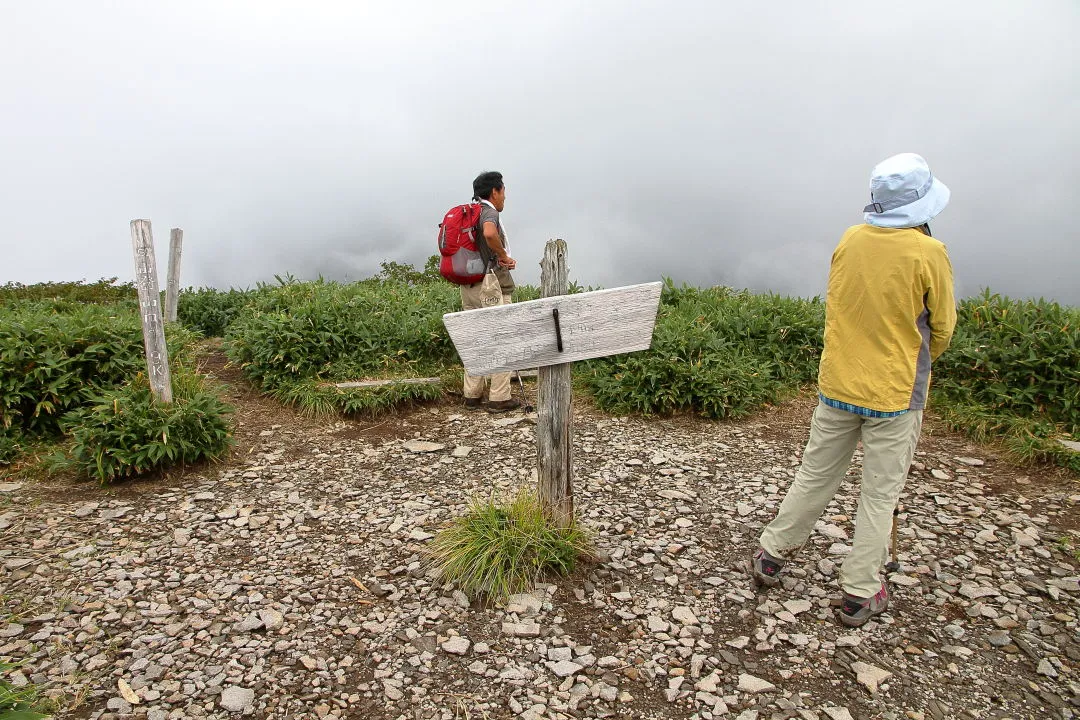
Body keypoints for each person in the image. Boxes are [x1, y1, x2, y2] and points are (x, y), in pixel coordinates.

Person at [749, 153, 957, 628]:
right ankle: (861, 590)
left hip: (838, 381)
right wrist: (913, 361)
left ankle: (771, 553)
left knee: (815, 474)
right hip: (894, 393)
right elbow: (942, 328)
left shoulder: (850, 238)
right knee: (879, 494)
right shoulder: (929, 253)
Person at [460, 170, 521, 412]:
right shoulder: (488, 212)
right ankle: (499, 397)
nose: (505, 196)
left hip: (469, 285)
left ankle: (472, 394)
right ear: (494, 191)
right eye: (503, 190)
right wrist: (504, 256)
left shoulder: (467, 213)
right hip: (491, 285)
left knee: (476, 339)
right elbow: (489, 232)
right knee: (501, 338)